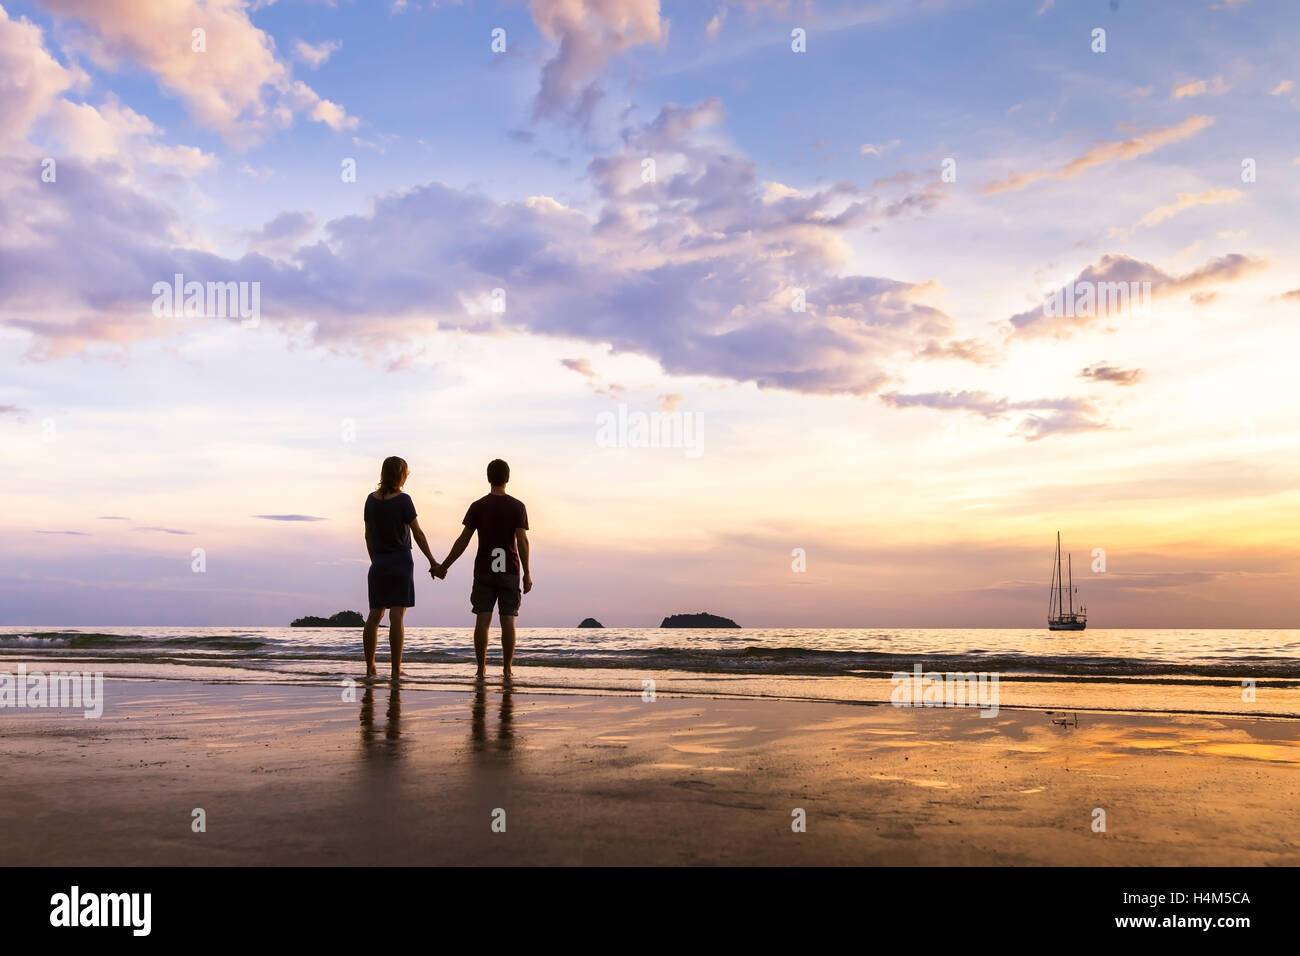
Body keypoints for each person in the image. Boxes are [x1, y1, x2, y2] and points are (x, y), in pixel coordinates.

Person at [433, 458, 531, 681]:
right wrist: (527, 573)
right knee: (508, 620)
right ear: (507, 478)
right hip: (509, 571)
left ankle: (481, 669)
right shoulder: (518, 506)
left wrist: (443, 566)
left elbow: (462, 541)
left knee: (482, 621)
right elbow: (522, 541)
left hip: (484, 571)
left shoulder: (478, 506)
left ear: (488, 478)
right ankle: (507, 670)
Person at [363, 456, 438, 681]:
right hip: (401, 561)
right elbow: (418, 533)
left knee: (375, 615)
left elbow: (367, 534)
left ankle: (370, 667)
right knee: (397, 616)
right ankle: (396, 670)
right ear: (401, 475)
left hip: (378, 562)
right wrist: (433, 562)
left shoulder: (370, 500)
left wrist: (374, 559)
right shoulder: (404, 500)